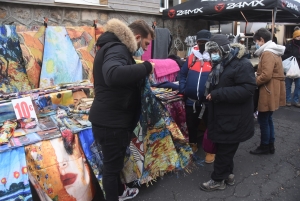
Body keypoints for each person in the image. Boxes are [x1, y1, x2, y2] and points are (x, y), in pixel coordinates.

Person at [89, 19, 154, 201]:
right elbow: (113, 74)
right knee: (111, 170)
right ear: (137, 37)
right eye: (146, 44)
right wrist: (146, 67)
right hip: (112, 123)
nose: (146, 49)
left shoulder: (110, 47)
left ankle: (119, 192)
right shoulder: (117, 48)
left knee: (113, 166)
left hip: (110, 120)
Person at [199, 34, 256, 191]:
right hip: (225, 115)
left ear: (224, 49)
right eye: (210, 52)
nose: (212, 55)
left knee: (225, 148)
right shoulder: (222, 63)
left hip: (233, 118)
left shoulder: (241, 64)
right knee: (226, 147)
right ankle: (227, 174)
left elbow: (247, 89)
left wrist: (218, 94)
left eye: (215, 51)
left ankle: (218, 180)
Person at [179, 29, 215, 163]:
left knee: (210, 124)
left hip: (208, 101)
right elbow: (182, 74)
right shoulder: (192, 57)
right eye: (200, 42)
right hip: (191, 100)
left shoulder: (214, 58)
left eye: (205, 42)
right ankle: (193, 143)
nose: (202, 44)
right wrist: (183, 88)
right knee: (191, 124)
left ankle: (210, 150)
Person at [250, 28, 286, 155]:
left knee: (263, 119)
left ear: (262, 40)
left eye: (257, 41)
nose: (256, 44)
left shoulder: (267, 53)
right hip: (273, 88)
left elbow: (266, 75)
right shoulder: (274, 51)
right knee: (268, 118)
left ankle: (265, 145)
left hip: (268, 89)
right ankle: (270, 145)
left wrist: (253, 82)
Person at [282, 26, 300, 107]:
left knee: (298, 86)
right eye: (297, 36)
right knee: (288, 85)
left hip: (299, 68)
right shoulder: (289, 45)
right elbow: (284, 55)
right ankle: (288, 100)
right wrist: (292, 57)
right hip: (290, 68)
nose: (299, 37)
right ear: (294, 36)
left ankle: (296, 100)